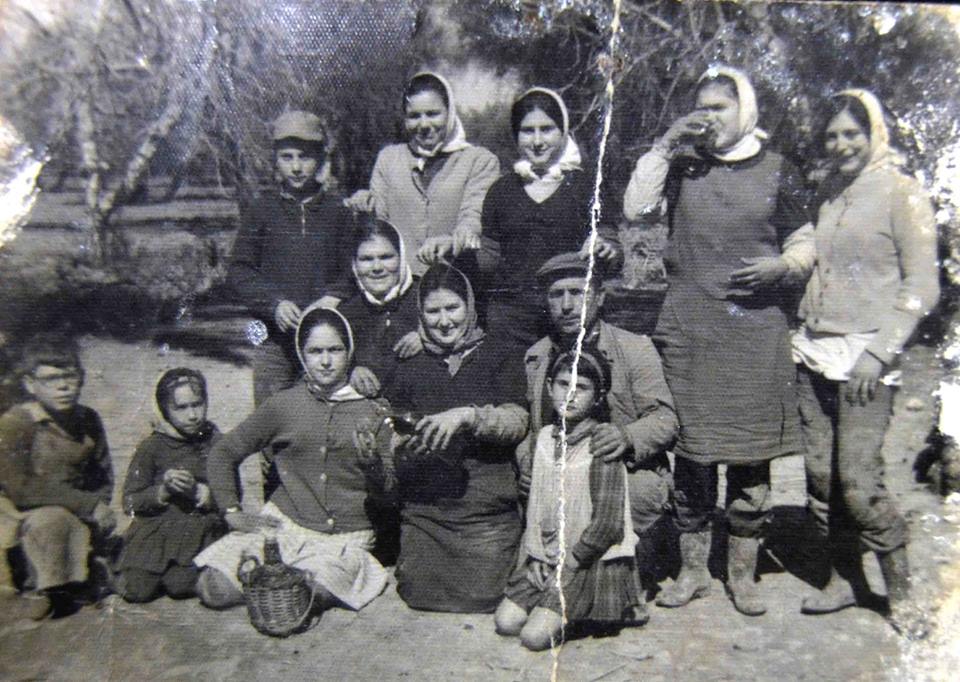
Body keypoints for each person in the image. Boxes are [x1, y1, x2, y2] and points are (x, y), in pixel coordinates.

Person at [623, 66, 813, 616]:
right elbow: (635, 208)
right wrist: (664, 145)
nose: (710, 117)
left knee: (752, 460)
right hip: (691, 329)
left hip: (754, 333)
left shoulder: (780, 168)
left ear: (745, 110)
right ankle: (692, 571)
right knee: (694, 457)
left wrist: (782, 266)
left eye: (720, 107)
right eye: (702, 106)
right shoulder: (683, 164)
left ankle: (743, 576)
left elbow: (805, 238)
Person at [792, 90, 939, 637]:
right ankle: (842, 578)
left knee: (858, 481)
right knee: (821, 479)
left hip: (868, 358)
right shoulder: (829, 195)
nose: (841, 144)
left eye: (852, 133)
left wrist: (879, 352)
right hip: (815, 351)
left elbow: (924, 284)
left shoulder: (905, 193)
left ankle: (902, 593)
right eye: (831, 136)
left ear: (875, 132)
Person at [193, 306, 388, 613]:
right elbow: (223, 452)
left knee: (309, 592)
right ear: (301, 354)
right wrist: (231, 511)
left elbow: (391, 490)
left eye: (335, 350)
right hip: (284, 527)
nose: (325, 361)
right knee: (212, 588)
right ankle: (272, 587)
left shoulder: (373, 409)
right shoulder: (284, 404)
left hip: (344, 539)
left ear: (350, 352)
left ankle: (286, 589)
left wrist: (374, 464)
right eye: (315, 351)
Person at [520, 253, 678, 623]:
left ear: (600, 297)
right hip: (564, 467)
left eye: (579, 292)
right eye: (556, 295)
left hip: (616, 470)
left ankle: (621, 581)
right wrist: (526, 462)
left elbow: (666, 418)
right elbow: (532, 425)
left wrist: (626, 435)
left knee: (639, 494)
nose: (567, 305)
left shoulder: (634, 348)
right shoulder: (537, 356)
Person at [366, 264, 528, 613]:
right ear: (420, 314)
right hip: (428, 509)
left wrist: (468, 416)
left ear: (469, 307)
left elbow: (517, 420)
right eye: (432, 311)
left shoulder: (499, 353)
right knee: (418, 591)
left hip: (484, 507)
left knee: (487, 593)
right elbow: (389, 423)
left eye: (452, 308)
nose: (443, 321)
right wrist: (401, 444)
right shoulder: (409, 362)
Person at [495, 349, 643, 651]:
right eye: (563, 384)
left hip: (585, 559)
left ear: (598, 397)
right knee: (506, 621)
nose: (570, 395)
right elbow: (536, 505)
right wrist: (536, 555)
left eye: (582, 388)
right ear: (550, 387)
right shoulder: (545, 439)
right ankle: (556, 607)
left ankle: (579, 611)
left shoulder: (602, 448)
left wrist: (568, 565)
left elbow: (607, 525)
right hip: (546, 552)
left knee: (533, 637)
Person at [228, 110, 354, 406]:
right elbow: (239, 270)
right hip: (274, 340)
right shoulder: (261, 210)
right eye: (287, 157)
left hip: (324, 342)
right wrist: (274, 304)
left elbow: (353, 270)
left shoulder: (339, 212)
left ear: (321, 159)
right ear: (275, 159)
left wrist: (334, 296)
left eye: (305, 157)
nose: (296, 167)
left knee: (323, 416)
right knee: (272, 418)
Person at [481, 87, 622, 349]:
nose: (536, 141)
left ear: (564, 130)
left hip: (569, 319)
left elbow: (613, 254)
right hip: (511, 325)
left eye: (546, 129)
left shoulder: (587, 186)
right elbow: (487, 263)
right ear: (515, 134)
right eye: (527, 130)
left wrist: (606, 248)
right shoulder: (501, 191)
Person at [0, 335, 117, 620]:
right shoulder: (17, 422)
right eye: (51, 379)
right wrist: (87, 504)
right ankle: (32, 587)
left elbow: (103, 475)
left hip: (73, 508)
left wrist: (97, 507)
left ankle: (70, 575)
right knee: (51, 521)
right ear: (30, 384)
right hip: (19, 509)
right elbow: (21, 489)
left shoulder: (87, 420)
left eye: (70, 376)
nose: (63, 386)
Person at [345, 71, 500, 277]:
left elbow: (473, 217)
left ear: (450, 112)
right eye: (414, 116)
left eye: (433, 114)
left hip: (455, 282)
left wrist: (454, 241)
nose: (424, 125)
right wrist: (364, 207)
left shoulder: (480, 161)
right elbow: (380, 223)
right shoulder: (389, 159)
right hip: (401, 284)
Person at [114, 369, 224, 603]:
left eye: (198, 404)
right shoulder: (152, 447)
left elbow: (232, 495)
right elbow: (130, 502)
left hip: (198, 529)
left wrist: (200, 493)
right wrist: (163, 490)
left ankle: (175, 574)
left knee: (180, 586)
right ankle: (110, 564)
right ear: (164, 410)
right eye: (181, 408)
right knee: (137, 591)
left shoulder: (214, 441)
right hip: (157, 530)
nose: (193, 415)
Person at [338, 216, 422, 398]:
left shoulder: (426, 298)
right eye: (367, 259)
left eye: (386, 257)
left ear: (401, 257)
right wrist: (349, 370)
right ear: (354, 264)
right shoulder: (346, 313)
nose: (377, 267)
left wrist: (430, 337)